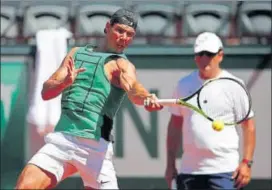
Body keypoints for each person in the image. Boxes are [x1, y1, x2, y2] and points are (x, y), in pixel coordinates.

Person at [15, 8, 163, 190]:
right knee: (24, 187)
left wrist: (147, 97)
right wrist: (64, 83)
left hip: (95, 150)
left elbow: (134, 88)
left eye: (130, 34)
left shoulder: (121, 64)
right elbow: (46, 92)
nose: (124, 37)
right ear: (108, 27)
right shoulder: (76, 53)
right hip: (63, 140)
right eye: (120, 31)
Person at [164, 32, 256, 190]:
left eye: (209, 54)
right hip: (189, 171)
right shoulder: (183, 85)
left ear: (220, 55)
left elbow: (249, 126)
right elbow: (174, 126)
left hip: (225, 171)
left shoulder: (235, 85)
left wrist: (246, 163)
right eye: (200, 54)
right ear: (195, 57)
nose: (204, 58)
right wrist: (170, 164)